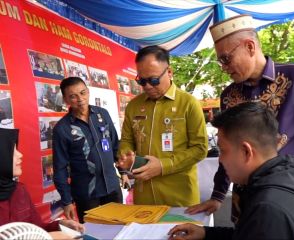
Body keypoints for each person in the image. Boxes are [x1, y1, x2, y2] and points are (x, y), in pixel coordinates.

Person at [186, 14, 294, 223]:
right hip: (247, 204)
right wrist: (218, 195)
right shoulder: (229, 96)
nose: (223, 67)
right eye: (219, 60)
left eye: (226, 58)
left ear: (250, 46)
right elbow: (228, 152)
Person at [168, 102, 294, 240]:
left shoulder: (268, 208)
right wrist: (206, 234)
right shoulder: (284, 177)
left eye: (223, 151)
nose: (220, 160)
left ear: (246, 151)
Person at [118, 45, 208, 206]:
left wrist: (163, 166)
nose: (148, 86)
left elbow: (200, 148)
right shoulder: (134, 106)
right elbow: (126, 140)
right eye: (142, 81)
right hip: (144, 197)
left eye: (153, 80)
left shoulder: (188, 104)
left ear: (169, 72)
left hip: (179, 197)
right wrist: (126, 157)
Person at [52, 77, 123, 223]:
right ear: (66, 100)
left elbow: (116, 145)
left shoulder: (102, 114)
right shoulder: (62, 129)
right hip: (87, 195)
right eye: (73, 96)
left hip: (113, 188)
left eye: (83, 93)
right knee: (93, 234)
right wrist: (66, 201)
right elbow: (60, 168)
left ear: (88, 92)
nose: (80, 99)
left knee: (119, 228)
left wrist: (124, 172)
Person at [0, 128, 84, 235]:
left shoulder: (19, 190)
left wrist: (61, 225)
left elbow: (37, 228)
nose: (20, 155)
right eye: (12, 151)